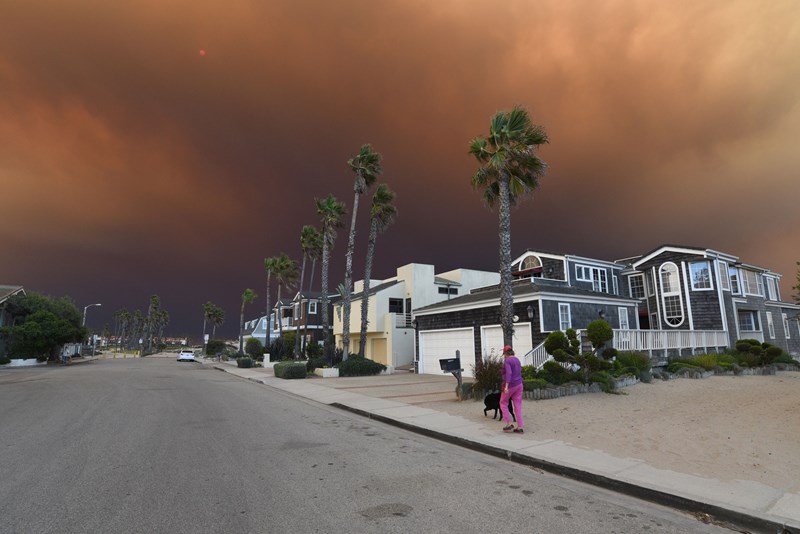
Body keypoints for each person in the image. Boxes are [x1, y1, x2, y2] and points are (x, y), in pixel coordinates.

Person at [500, 345, 524, 434]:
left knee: (503, 403)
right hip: (519, 384)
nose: (504, 356)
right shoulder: (517, 359)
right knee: (517, 405)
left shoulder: (507, 360)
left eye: (504, 354)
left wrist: (506, 386)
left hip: (510, 385)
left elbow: (509, 373)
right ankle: (520, 427)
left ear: (505, 353)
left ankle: (509, 423)